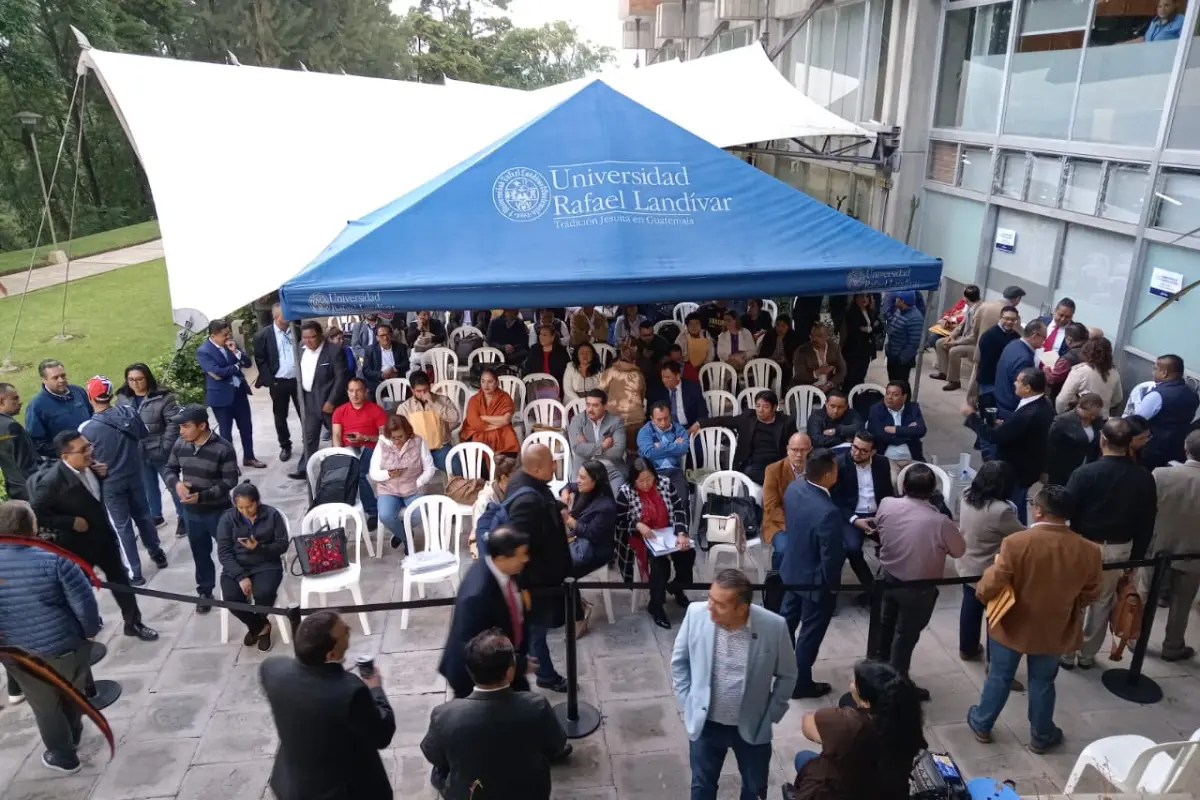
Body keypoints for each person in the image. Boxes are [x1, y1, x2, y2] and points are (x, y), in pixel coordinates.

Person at [968, 486, 1102, 753]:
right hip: (1055, 626)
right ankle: (1041, 734)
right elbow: (1092, 591)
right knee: (1043, 682)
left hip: (1011, 622)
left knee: (1000, 676)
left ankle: (982, 723)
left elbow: (994, 581)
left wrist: (983, 594)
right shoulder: (1089, 550)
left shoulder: (1016, 543)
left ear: (1038, 511)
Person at [672, 568, 797, 800]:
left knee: (754, 788)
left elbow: (788, 675)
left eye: (719, 603)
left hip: (752, 727)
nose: (710, 606)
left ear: (742, 608)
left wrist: (771, 713)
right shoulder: (695, 614)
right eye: (710, 598)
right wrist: (688, 701)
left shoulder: (774, 626)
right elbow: (679, 662)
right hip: (706, 725)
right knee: (702, 787)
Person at [0, 500, 103, 773]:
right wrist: (91, 632)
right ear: (31, 527)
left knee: (44, 705)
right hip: (66, 647)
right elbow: (85, 605)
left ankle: (63, 755)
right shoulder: (57, 560)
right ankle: (74, 735)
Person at [31, 430, 158, 640]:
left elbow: (94, 495)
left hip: (104, 539)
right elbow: (37, 512)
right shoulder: (52, 482)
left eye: (89, 445)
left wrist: (103, 475)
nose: (90, 451)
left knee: (121, 580)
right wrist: (69, 522)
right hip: (77, 547)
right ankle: (86, 630)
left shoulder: (91, 464)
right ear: (66, 457)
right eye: (83, 450)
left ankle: (133, 622)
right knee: (79, 591)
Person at [261, 611, 395, 800]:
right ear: (330, 654)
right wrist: (375, 689)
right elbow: (382, 734)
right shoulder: (350, 692)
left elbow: (307, 693)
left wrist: (332, 673)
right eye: (346, 632)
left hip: (293, 785)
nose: (349, 628)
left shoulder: (272, 669)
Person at [425, 629, 569, 800]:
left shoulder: (444, 715)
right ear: (509, 673)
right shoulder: (536, 707)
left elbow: (432, 753)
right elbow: (557, 745)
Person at [1063, 417, 1158, 669]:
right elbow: (1147, 522)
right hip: (1119, 548)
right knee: (1102, 604)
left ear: (1102, 440)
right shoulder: (1144, 478)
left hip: (1083, 545)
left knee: (1074, 600)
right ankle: (1087, 656)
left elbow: (1066, 510)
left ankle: (1066, 653)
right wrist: (1135, 559)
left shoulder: (1084, 473)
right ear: (1130, 444)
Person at [870, 464, 965, 699]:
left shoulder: (887, 504)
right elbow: (959, 550)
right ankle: (897, 687)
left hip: (888, 577)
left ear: (903, 486)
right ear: (933, 490)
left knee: (886, 627)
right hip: (918, 589)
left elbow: (880, 528)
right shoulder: (940, 521)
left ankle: (879, 675)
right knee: (905, 636)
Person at [791, 659, 926, 800]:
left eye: (855, 682)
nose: (851, 683)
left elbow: (807, 723)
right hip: (887, 792)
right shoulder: (908, 720)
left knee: (802, 757)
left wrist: (835, 739)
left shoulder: (849, 724)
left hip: (842, 791)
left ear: (866, 701)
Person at [80, 375, 168, 585]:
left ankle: (135, 572)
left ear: (90, 397)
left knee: (122, 528)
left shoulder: (86, 428)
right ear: (110, 394)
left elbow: (82, 458)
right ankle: (157, 553)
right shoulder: (129, 412)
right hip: (135, 475)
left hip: (110, 483)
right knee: (144, 517)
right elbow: (143, 434)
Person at [505, 444, 573, 692]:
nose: (555, 466)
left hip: (542, 577)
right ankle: (544, 674)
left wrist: (556, 506)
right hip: (536, 582)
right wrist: (523, 586)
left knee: (536, 629)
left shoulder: (525, 480)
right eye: (550, 464)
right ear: (535, 468)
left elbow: (542, 498)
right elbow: (518, 546)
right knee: (536, 630)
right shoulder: (525, 500)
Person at [161, 404, 241, 612]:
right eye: (180, 427)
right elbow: (169, 468)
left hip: (219, 512)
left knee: (228, 551)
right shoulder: (180, 444)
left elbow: (230, 481)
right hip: (192, 514)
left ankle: (236, 587)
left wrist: (202, 496)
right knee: (200, 554)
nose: (181, 431)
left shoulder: (223, 448)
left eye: (186, 426)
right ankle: (205, 592)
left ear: (202, 425)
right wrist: (176, 484)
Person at [439, 526, 534, 697]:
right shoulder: (477, 596)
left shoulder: (502, 569)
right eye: (521, 555)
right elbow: (478, 650)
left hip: (505, 665)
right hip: (477, 678)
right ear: (502, 558)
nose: (526, 559)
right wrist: (519, 664)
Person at [780, 449, 843, 699]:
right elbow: (831, 557)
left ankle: (782, 668)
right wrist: (833, 585)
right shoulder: (828, 512)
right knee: (810, 632)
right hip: (814, 581)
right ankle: (800, 682)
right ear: (827, 475)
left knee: (787, 621)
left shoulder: (794, 488)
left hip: (792, 569)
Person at [966, 368, 1054, 523]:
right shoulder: (1043, 404)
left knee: (1012, 507)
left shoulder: (1028, 414)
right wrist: (1007, 426)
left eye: (1018, 381)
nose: (1014, 383)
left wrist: (971, 417)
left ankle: (1014, 535)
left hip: (1016, 470)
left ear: (1028, 388)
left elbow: (993, 436)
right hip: (1028, 467)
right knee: (1018, 504)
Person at [956, 461, 1024, 662]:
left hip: (967, 563)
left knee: (970, 607)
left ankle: (967, 648)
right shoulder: (1001, 510)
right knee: (996, 617)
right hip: (989, 570)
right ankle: (995, 661)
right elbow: (1021, 535)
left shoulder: (967, 494)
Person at [615, 458, 694, 629]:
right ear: (633, 479)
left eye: (649, 478)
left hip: (666, 533)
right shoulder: (625, 491)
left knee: (687, 553)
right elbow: (620, 520)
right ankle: (656, 605)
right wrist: (637, 524)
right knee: (660, 565)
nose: (646, 484)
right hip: (641, 538)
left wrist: (681, 533)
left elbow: (679, 509)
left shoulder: (665, 484)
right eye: (641, 480)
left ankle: (677, 586)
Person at [216, 482, 288, 651]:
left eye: (249, 507)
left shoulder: (272, 515)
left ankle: (257, 626)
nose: (245, 512)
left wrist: (258, 548)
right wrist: (240, 576)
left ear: (258, 502)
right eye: (240, 508)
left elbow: (282, 545)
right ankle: (260, 627)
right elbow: (224, 552)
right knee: (232, 599)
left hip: (266, 563)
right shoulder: (227, 519)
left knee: (264, 593)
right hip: (237, 565)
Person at [1148, 431, 1200, 661]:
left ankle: (1134, 638)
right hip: (1194, 551)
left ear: (1186, 448)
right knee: (1182, 602)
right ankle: (1173, 645)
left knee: (1145, 593)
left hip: (1157, 546)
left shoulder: (1161, 475)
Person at [115, 363, 183, 535]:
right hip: (138, 451)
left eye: (139, 379)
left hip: (161, 448)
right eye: (131, 380)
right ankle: (155, 515)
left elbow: (173, 424)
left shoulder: (163, 397)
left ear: (147, 378)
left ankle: (183, 516)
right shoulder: (122, 398)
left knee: (172, 484)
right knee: (147, 485)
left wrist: (166, 446)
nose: (135, 383)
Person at [831, 431, 894, 593]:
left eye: (863, 450)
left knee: (900, 541)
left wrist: (882, 515)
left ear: (873, 452)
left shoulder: (882, 463)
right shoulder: (840, 464)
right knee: (851, 548)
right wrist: (854, 519)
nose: (856, 452)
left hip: (878, 514)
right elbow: (836, 499)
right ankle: (871, 588)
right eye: (854, 447)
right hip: (852, 516)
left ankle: (894, 585)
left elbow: (887, 493)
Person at [195, 319, 264, 468]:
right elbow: (217, 373)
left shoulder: (230, 344)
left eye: (228, 333)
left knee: (246, 428)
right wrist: (236, 365)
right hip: (221, 398)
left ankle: (249, 457)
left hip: (239, 394)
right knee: (226, 433)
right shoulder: (204, 351)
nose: (228, 337)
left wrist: (236, 353)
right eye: (224, 334)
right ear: (213, 335)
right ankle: (231, 465)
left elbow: (248, 363)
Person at [690, 390, 797, 485]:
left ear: (774, 408)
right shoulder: (748, 418)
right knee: (751, 472)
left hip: (777, 463)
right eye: (758, 406)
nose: (760, 410)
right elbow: (725, 420)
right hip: (754, 465)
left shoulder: (786, 422)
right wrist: (700, 423)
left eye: (765, 407)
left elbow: (795, 445)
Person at [287, 320, 348, 479]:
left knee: (338, 436)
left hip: (329, 401)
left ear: (320, 335)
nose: (308, 341)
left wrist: (332, 401)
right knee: (309, 436)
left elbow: (341, 378)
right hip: (309, 399)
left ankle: (341, 468)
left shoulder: (334, 350)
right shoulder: (301, 348)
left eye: (312, 337)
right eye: (305, 338)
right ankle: (304, 469)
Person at [371, 415, 435, 552]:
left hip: (413, 487)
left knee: (420, 513)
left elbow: (430, 468)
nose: (397, 440)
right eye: (393, 437)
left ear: (407, 432)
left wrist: (419, 482)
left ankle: (400, 532)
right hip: (388, 488)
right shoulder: (382, 443)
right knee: (385, 515)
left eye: (400, 436)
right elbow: (373, 472)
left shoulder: (418, 442)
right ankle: (407, 537)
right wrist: (387, 474)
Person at [332, 377, 388, 529]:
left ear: (365, 392)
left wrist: (365, 437)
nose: (355, 394)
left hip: (371, 447)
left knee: (360, 473)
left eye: (358, 390)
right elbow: (336, 435)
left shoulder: (376, 410)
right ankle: (346, 506)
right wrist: (340, 453)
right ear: (347, 392)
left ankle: (372, 511)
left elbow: (384, 438)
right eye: (351, 391)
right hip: (348, 449)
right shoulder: (340, 411)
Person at [1129, 354, 1200, 469]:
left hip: (1151, 451)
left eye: (1155, 369)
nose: (1153, 372)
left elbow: (1136, 421)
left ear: (1164, 373)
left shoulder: (1157, 395)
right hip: (1177, 450)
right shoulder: (1192, 394)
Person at [252, 304, 301, 462]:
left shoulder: (297, 331)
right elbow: (261, 360)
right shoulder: (263, 335)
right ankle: (285, 445)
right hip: (278, 382)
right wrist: (270, 382)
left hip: (298, 380)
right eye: (285, 314)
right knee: (280, 416)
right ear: (276, 317)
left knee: (305, 412)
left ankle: (308, 442)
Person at [561, 461, 618, 587]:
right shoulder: (586, 488)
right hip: (579, 540)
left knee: (559, 571)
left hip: (595, 551)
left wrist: (569, 519)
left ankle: (573, 603)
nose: (578, 481)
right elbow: (570, 485)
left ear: (595, 481)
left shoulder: (606, 506)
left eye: (582, 477)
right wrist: (565, 492)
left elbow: (591, 533)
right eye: (578, 476)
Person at [25, 359, 92, 459]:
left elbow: (92, 416)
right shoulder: (36, 406)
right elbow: (37, 444)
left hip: (91, 450)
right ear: (43, 380)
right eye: (55, 378)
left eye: (63, 375)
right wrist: (68, 451)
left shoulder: (78, 391)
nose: (61, 380)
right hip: (66, 460)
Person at [396, 371, 459, 472]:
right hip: (417, 450)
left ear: (430, 386)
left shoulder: (443, 400)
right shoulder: (404, 408)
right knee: (405, 473)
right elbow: (400, 432)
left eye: (425, 390)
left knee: (458, 469)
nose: (423, 394)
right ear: (412, 390)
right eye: (418, 391)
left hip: (441, 448)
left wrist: (433, 403)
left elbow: (455, 417)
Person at [764, 433, 812, 563]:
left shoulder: (815, 469)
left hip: (809, 522)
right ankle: (776, 581)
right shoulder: (773, 470)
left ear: (810, 450)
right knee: (784, 549)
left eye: (803, 450)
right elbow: (771, 507)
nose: (799, 454)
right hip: (780, 523)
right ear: (787, 449)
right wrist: (795, 527)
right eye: (794, 450)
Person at [866, 380, 927, 483]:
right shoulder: (876, 409)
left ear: (904, 397)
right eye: (887, 393)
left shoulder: (913, 408)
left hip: (912, 457)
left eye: (895, 395)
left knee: (924, 481)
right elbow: (880, 435)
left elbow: (921, 430)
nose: (889, 397)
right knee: (893, 481)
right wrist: (909, 432)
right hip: (888, 459)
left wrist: (895, 430)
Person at [567, 389, 628, 490]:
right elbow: (577, 448)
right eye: (588, 405)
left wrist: (587, 447)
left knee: (617, 499)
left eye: (595, 405)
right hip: (584, 468)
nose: (590, 409)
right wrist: (602, 446)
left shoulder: (616, 422)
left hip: (611, 468)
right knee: (578, 500)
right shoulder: (577, 420)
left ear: (604, 406)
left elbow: (618, 452)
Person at [638, 401, 691, 504]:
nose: (663, 422)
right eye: (659, 419)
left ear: (670, 416)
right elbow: (649, 453)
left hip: (675, 471)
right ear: (652, 419)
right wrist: (674, 446)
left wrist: (661, 445)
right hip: (652, 472)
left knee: (681, 500)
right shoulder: (644, 431)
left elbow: (683, 449)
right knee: (656, 503)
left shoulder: (679, 429)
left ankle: (681, 520)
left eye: (666, 418)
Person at [459, 366, 520, 456]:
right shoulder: (474, 400)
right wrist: (497, 424)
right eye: (483, 381)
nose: (486, 385)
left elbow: (506, 420)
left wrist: (483, 417)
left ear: (496, 383)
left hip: (500, 432)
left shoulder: (504, 397)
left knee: (508, 435)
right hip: (477, 432)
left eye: (490, 382)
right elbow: (475, 424)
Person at [1045, 393, 1104, 486]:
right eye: (1090, 414)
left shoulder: (1097, 421)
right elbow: (1050, 446)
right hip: (1062, 469)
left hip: (1086, 467)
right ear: (1079, 407)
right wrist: (1046, 471)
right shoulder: (1062, 421)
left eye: (1096, 415)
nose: (1093, 417)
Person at [993, 319, 1047, 417]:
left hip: (1000, 397)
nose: (1044, 342)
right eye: (1044, 338)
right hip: (1010, 407)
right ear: (1034, 336)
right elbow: (1023, 389)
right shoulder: (1025, 359)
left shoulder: (1013, 344)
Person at [930, 285, 982, 386]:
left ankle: (954, 381)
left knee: (955, 351)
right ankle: (943, 372)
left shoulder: (979, 310)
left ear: (966, 298)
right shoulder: (970, 307)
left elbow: (973, 336)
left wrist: (955, 342)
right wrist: (952, 336)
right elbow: (962, 324)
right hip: (964, 337)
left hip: (974, 343)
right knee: (940, 342)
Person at [1057, 337, 1123, 414]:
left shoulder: (1080, 371)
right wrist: (1104, 407)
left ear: (1086, 351)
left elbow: (1062, 400)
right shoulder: (1114, 373)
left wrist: (1062, 414)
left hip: (1080, 417)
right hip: (1101, 418)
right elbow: (1118, 398)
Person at [599, 338, 647, 446]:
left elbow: (600, 395)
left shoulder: (610, 372)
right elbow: (642, 398)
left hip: (613, 423)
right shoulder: (639, 375)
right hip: (636, 423)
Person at [971, 305, 1021, 401]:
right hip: (990, 382)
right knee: (988, 410)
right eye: (1007, 318)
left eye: (1013, 319)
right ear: (1000, 318)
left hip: (1005, 382)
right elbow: (988, 364)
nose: (1010, 322)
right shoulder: (989, 336)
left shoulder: (1015, 336)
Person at [0, 383, 38, 500]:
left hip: (13, 487)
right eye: (14, 399)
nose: (20, 402)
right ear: (1, 402)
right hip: (29, 487)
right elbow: (25, 463)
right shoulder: (12, 426)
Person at [647, 360, 706, 428]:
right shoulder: (658, 391)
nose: (664, 380)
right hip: (666, 428)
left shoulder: (692, 388)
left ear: (678, 376)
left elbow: (703, 412)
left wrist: (695, 426)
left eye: (667, 377)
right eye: (662, 377)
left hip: (689, 427)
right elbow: (651, 415)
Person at [360, 320, 408, 401]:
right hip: (378, 382)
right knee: (370, 396)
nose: (385, 338)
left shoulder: (400, 347)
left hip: (396, 379)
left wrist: (394, 369)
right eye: (382, 335)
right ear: (377, 338)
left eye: (387, 334)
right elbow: (366, 371)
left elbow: (406, 364)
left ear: (391, 335)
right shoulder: (370, 350)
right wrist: (382, 375)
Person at [841, 295, 880, 392]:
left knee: (861, 375)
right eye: (861, 296)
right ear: (855, 298)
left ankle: (858, 397)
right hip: (854, 349)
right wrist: (869, 327)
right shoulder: (851, 312)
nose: (864, 299)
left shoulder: (871, 311)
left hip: (867, 349)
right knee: (852, 375)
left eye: (867, 296)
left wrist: (869, 329)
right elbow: (853, 329)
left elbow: (879, 327)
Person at [792, 322, 846, 391]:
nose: (814, 339)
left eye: (819, 336)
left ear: (827, 337)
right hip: (807, 389)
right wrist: (817, 372)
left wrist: (829, 384)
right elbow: (798, 376)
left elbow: (842, 370)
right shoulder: (801, 351)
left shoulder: (834, 348)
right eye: (812, 336)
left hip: (830, 388)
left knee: (838, 399)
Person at [884, 291, 923, 382]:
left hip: (901, 360)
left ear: (902, 301)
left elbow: (914, 343)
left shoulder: (915, 318)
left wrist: (903, 358)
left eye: (897, 298)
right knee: (893, 381)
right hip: (893, 355)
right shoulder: (899, 311)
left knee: (901, 385)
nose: (895, 300)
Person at [1044, 322, 1089, 400]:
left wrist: (1046, 370)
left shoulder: (1067, 359)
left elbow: (1053, 380)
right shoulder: (1091, 352)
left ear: (1069, 340)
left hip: (1064, 398)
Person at [759, 313, 802, 387]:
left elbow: (793, 356)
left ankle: (783, 395)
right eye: (778, 325)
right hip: (770, 363)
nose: (779, 328)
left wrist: (784, 360)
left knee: (787, 372)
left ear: (788, 327)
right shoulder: (770, 334)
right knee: (765, 372)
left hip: (786, 365)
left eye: (783, 326)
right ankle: (765, 393)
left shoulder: (793, 337)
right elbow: (763, 352)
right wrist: (770, 360)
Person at [676, 313, 715, 380]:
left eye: (697, 323)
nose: (694, 326)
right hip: (687, 368)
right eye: (691, 324)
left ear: (701, 325)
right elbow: (677, 356)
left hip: (705, 367)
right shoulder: (682, 337)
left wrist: (704, 365)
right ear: (687, 326)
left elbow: (711, 353)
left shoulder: (705, 334)